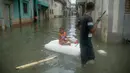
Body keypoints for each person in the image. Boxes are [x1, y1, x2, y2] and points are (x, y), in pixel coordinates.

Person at [76, 2, 100, 67]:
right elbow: (92, 30)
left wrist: (84, 29)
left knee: (85, 55)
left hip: (82, 39)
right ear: (92, 8)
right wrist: (97, 22)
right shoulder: (89, 18)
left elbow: (78, 26)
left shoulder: (81, 17)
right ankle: (87, 67)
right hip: (87, 40)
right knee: (90, 56)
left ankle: (84, 66)